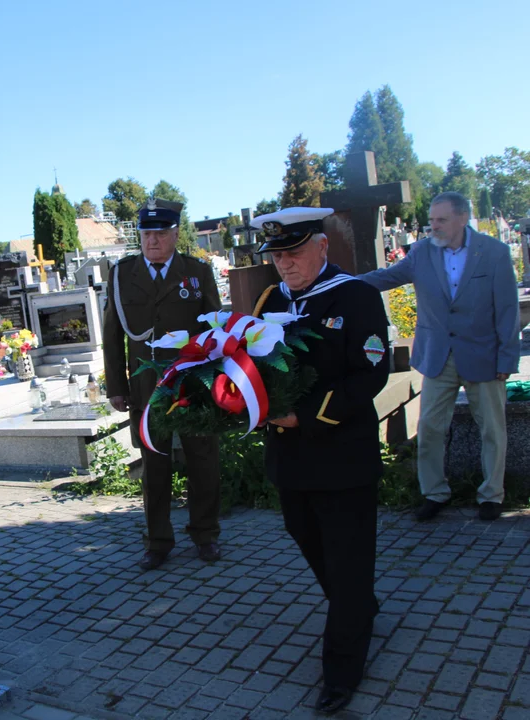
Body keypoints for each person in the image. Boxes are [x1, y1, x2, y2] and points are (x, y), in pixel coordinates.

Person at [252, 207, 390, 715]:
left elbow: (371, 373)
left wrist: (305, 416)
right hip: (291, 462)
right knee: (310, 542)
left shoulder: (356, 297)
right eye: (276, 255)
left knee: (350, 565)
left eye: (292, 251)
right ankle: (358, 611)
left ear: (321, 246)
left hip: (342, 457)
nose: (283, 263)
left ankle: (342, 669)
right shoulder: (270, 301)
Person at [359, 191, 520, 522]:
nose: (434, 226)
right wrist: (341, 284)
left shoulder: (494, 253)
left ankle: (492, 495)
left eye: (441, 220)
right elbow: (385, 278)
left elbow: (507, 310)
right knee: (430, 427)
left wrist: (507, 360)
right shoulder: (420, 252)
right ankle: (434, 493)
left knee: (492, 428)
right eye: (431, 220)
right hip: (438, 357)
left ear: (462, 218)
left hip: (484, 357)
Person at [102, 197, 224, 571]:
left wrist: (218, 381)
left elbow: (214, 328)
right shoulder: (123, 273)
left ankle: (205, 534)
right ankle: (158, 542)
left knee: (203, 459)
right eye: (146, 233)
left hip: (191, 382)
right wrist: (116, 386)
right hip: (147, 387)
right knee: (154, 464)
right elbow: (112, 334)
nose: (152, 240)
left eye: (160, 233)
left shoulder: (197, 272)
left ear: (175, 234)